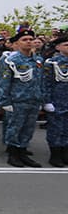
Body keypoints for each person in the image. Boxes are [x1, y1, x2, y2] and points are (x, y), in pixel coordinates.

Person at [0, 29, 45, 167]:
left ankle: (23, 152)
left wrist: (41, 98)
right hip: (17, 101)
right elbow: (4, 82)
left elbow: (40, 80)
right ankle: (13, 154)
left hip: (34, 99)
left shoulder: (38, 60)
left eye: (31, 39)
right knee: (14, 128)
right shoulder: (11, 60)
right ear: (17, 43)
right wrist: (4, 101)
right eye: (25, 40)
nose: (29, 42)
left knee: (28, 128)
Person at [42, 34, 68, 167]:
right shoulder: (51, 63)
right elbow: (46, 83)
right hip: (57, 101)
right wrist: (47, 101)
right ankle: (55, 155)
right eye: (66, 45)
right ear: (58, 47)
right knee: (56, 129)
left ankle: (65, 152)